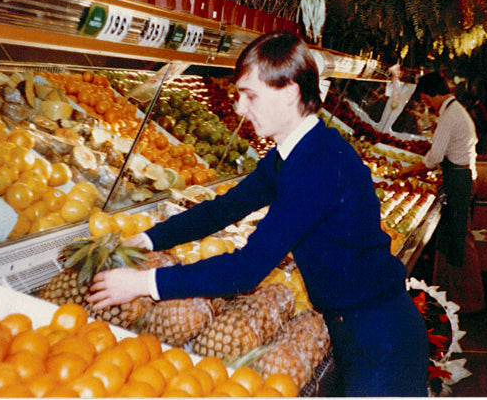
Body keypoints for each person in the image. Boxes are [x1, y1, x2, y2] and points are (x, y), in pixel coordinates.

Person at [87, 31, 429, 396]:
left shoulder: (317, 165)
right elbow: (224, 209)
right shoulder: (293, 155)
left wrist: (142, 284)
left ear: (290, 92)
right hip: (356, 328)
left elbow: (247, 268)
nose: (238, 108)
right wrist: (148, 238)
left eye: (250, 95)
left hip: (380, 339)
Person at [397, 71, 484, 313]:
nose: (428, 106)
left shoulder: (451, 115)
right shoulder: (455, 111)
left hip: (459, 179)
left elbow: (435, 157)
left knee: (460, 240)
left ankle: (469, 301)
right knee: (450, 239)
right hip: (461, 175)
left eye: (426, 100)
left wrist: (409, 171)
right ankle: (449, 294)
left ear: (433, 94)